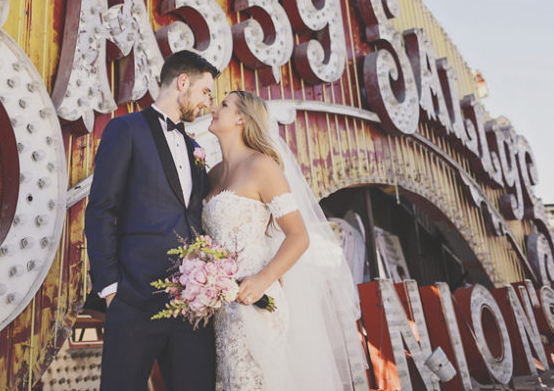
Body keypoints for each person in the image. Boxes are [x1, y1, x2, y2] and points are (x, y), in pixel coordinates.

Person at [204, 90, 368, 391]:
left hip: (256, 295)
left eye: (224, 105)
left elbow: (298, 235)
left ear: (242, 118)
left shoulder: (262, 166)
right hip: (220, 302)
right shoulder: (213, 175)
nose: (215, 108)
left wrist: (262, 279)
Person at [85, 50, 220, 391]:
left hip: (192, 309)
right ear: (183, 82)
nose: (207, 103)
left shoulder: (194, 147)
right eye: (205, 92)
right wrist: (112, 289)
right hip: (134, 300)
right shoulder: (125, 129)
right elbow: (101, 209)